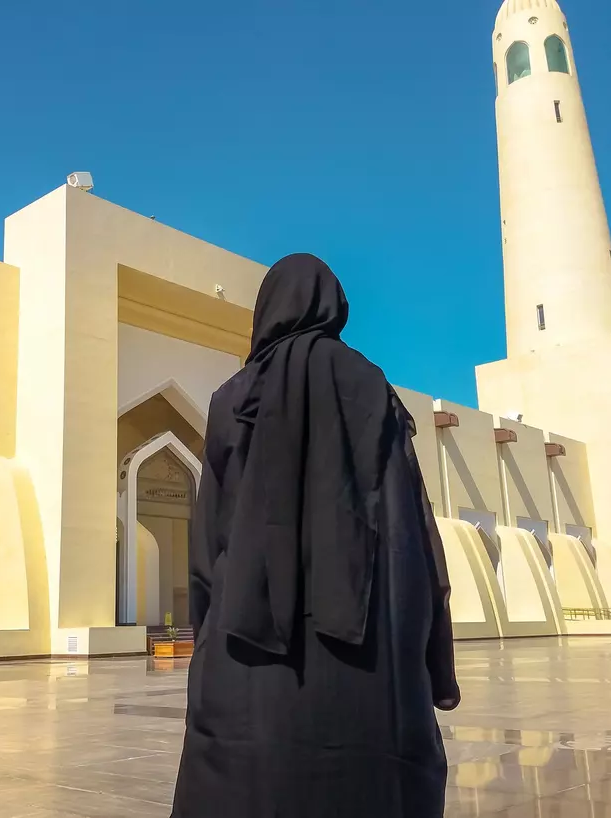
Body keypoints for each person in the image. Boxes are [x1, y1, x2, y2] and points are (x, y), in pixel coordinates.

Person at [170, 254, 460, 818]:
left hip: (247, 649)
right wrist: (421, 650)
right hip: (366, 650)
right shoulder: (373, 390)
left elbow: (210, 540)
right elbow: (411, 536)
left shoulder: (233, 399)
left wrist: (212, 627)